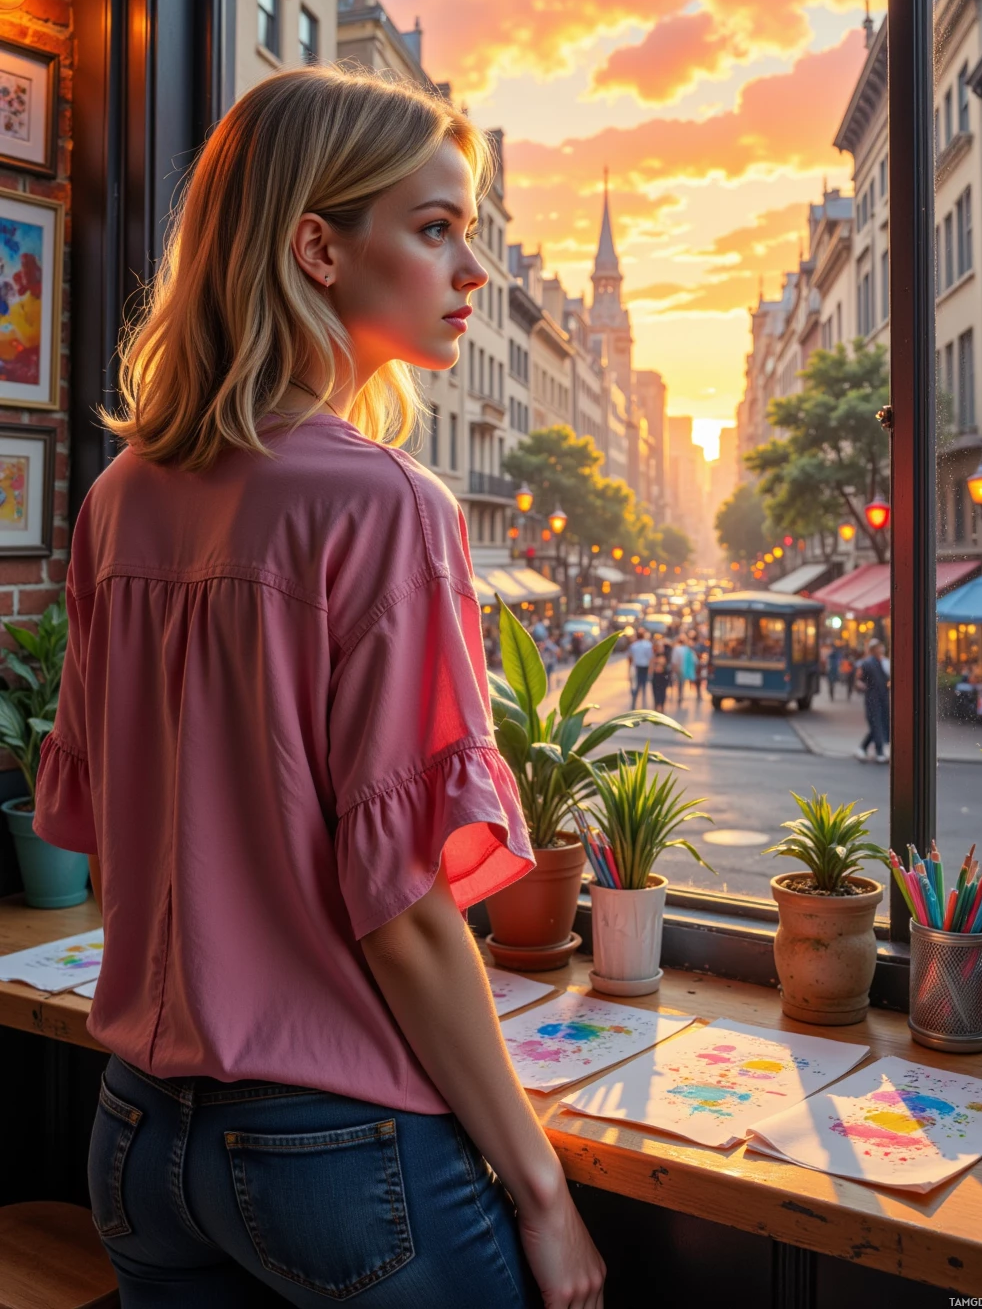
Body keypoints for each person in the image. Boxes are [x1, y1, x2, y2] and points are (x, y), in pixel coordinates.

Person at [32, 68, 605, 1309]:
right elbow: (400, 912)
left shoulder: (118, 496)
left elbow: (104, 832)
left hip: (136, 1136)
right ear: (318, 248)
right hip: (337, 1153)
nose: (473, 275)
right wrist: (544, 1194)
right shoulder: (387, 506)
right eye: (436, 228)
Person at [855, 638, 891, 763]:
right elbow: (859, 679)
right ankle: (879, 752)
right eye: (878, 647)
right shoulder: (868, 663)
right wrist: (860, 685)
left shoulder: (883, 662)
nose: (881, 649)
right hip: (873, 698)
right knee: (876, 725)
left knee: (878, 725)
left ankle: (863, 748)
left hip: (882, 697)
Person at [628, 627, 653, 709]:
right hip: (644, 667)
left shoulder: (634, 645)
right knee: (644, 686)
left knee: (637, 686)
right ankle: (643, 705)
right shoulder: (648, 645)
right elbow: (650, 657)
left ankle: (634, 703)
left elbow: (630, 658)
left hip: (637, 667)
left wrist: (629, 669)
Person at [651, 637, 671, 712]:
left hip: (662, 676)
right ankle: (657, 705)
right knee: (656, 692)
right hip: (656, 676)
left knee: (662, 692)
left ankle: (661, 705)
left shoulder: (665, 655)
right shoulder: (655, 655)